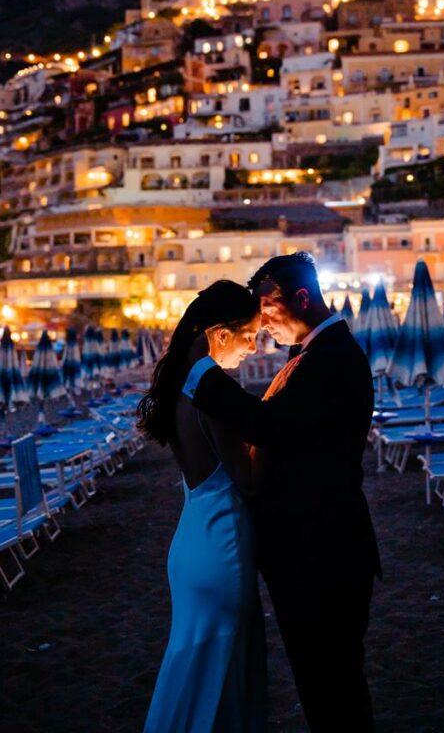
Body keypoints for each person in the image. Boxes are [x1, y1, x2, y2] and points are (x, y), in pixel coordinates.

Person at [189, 252, 380, 732]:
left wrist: (201, 372)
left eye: (268, 307)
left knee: (332, 684)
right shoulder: (312, 356)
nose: (262, 320)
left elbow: (271, 425)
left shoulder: (333, 358)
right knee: (323, 685)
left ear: (302, 298)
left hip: (323, 553)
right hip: (311, 552)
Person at [138, 280, 267, 733]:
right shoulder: (208, 387)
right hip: (220, 546)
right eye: (250, 334)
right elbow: (247, 479)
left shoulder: (182, 383)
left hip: (194, 538)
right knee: (216, 678)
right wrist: (273, 428)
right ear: (221, 332)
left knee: (191, 672)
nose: (255, 346)